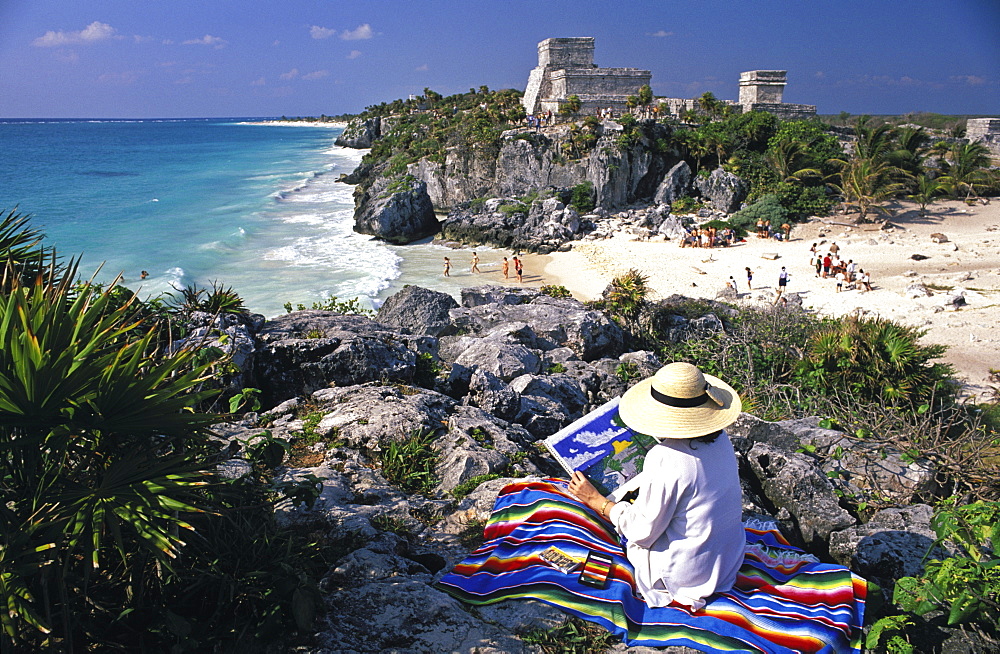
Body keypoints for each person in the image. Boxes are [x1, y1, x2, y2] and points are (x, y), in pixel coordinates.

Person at [568, 362, 745, 610]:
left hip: (688, 575)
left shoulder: (667, 457)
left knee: (626, 534)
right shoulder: (720, 439)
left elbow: (642, 532)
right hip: (726, 562)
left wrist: (599, 502)